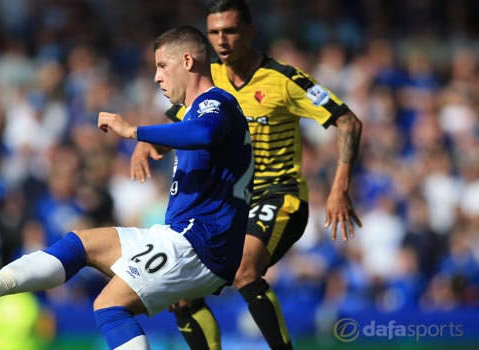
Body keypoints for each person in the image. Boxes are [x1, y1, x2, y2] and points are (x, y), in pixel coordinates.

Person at [0, 25, 254, 350]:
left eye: (162, 66)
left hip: (199, 241)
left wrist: (134, 132)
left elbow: (206, 134)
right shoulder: (195, 113)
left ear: (187, 61)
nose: (157, 77)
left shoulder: (216, 102)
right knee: (81, 244)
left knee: (109, 306)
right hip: (184, 236)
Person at [130, 1, 364, 349]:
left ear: (251, 32)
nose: (221, 40)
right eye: (214, 33)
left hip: (278, 194)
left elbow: (348, 121)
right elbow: (183, 125)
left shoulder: (285, 80)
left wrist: (339, 187)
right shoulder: (210, 80)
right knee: (180, 295)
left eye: (230, 31)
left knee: (244, 270)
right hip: (230, 204)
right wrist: (146, 144)